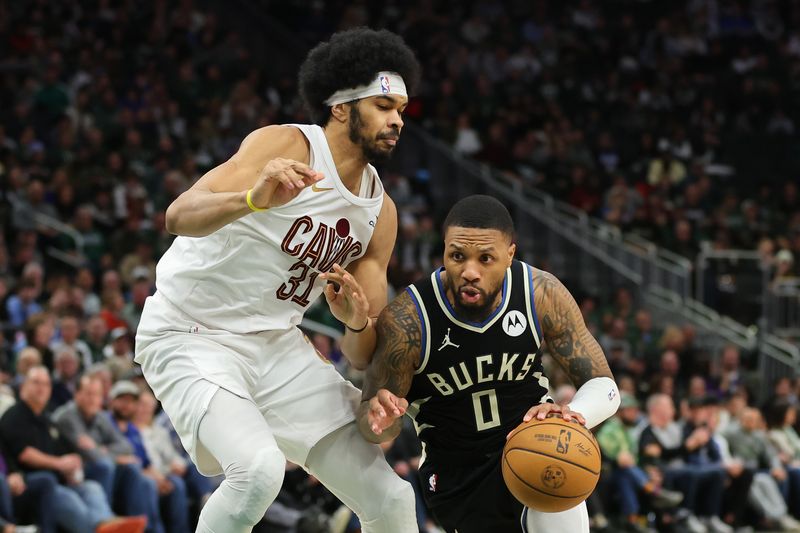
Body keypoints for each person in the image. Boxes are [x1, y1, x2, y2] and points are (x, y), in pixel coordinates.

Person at [134, 27, 421, 533]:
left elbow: (360, 351)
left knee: (392, 498)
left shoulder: (382, 213)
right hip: (190, 333)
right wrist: (251, 200)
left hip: (276, 346)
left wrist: (357, 324)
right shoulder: (287, 144)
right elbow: (179, 214)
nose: (397, 119)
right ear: (340, 108)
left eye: (400, 108)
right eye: (383, 104)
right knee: (258, 472)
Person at [356, 195, 621, 533]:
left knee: (562, 484)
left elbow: (606, 386)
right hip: (457, 475)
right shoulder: (409, 319)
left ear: (510, 254)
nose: (470, 272)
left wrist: (575, 414)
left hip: (534, 442)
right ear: (444, 251)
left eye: (485, 258)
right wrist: (381, 418)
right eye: (457, 256)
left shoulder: (540, 293)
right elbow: (372, 424)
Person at [0, 366, 146, 533]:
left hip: (60, 478)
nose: (42, 388)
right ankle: (99, 528)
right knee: (58, 489)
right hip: (30, 481)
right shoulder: (14, 415)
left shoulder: (47, 418)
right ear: (23, 386)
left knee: (91, 487)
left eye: (46, 384)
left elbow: (66, 451)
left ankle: (105, 521)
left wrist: (72, 463)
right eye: (36, 383)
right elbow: (25, 454)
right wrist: (60, 464)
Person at [53, 375, 164, 533]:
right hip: (69, 475)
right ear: (76, 394)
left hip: (89, 473)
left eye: (97, 395)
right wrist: (112, 455)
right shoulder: (67, 417)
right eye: (88, 394)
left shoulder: (99, 416)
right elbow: (92, 455)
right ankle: (109, 522)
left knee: (133, 471)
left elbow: (127, 447)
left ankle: (137, 528)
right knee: (104, 466)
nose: (93, 399)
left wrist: (100, 449)